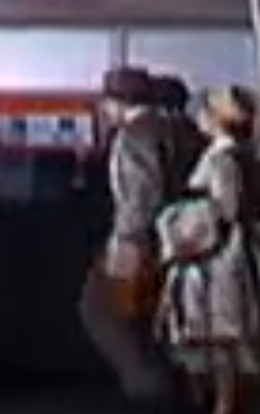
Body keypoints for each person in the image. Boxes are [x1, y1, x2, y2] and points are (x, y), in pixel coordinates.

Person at [154, 86, 260, 414]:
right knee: (224, 342)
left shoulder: (223, 158)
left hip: (221, 258)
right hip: (232, 251)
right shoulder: (243, 154)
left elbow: (226, 207)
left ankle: (224, 407)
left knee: (222, 340)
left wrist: (178, 222)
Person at [79, 66, 176, 408]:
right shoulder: (175, 129)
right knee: (149, 322)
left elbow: (141, 197)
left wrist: (124, 246)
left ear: (117, 101)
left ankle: (148, 393)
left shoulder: (134, 136)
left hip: (137, 244)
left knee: (103, 312)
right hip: (172, 240)